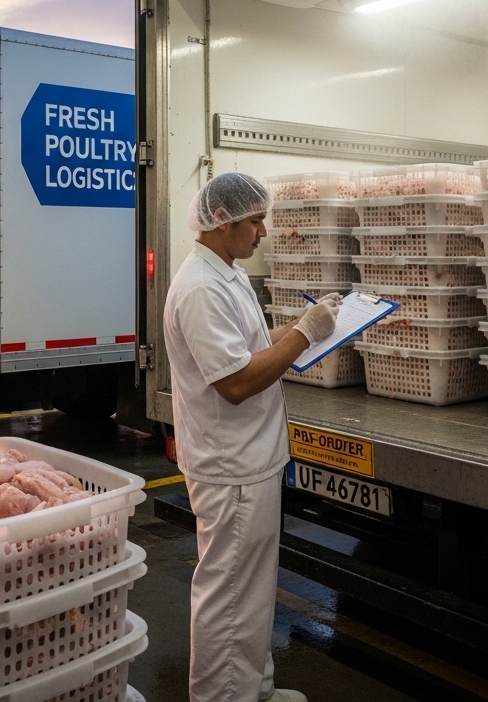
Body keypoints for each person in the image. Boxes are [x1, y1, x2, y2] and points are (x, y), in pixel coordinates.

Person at [164, 172, 341, 702]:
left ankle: (253, 691)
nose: (264, 231)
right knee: (230, 594)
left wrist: (309, 323)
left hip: (251, 459)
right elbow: (237, 382)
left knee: (252, 593)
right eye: (256, 221)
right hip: (231, 465)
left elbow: (251, 349)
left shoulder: (228, 274)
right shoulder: (199, 288)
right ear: (223, 221)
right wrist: (306, 334)